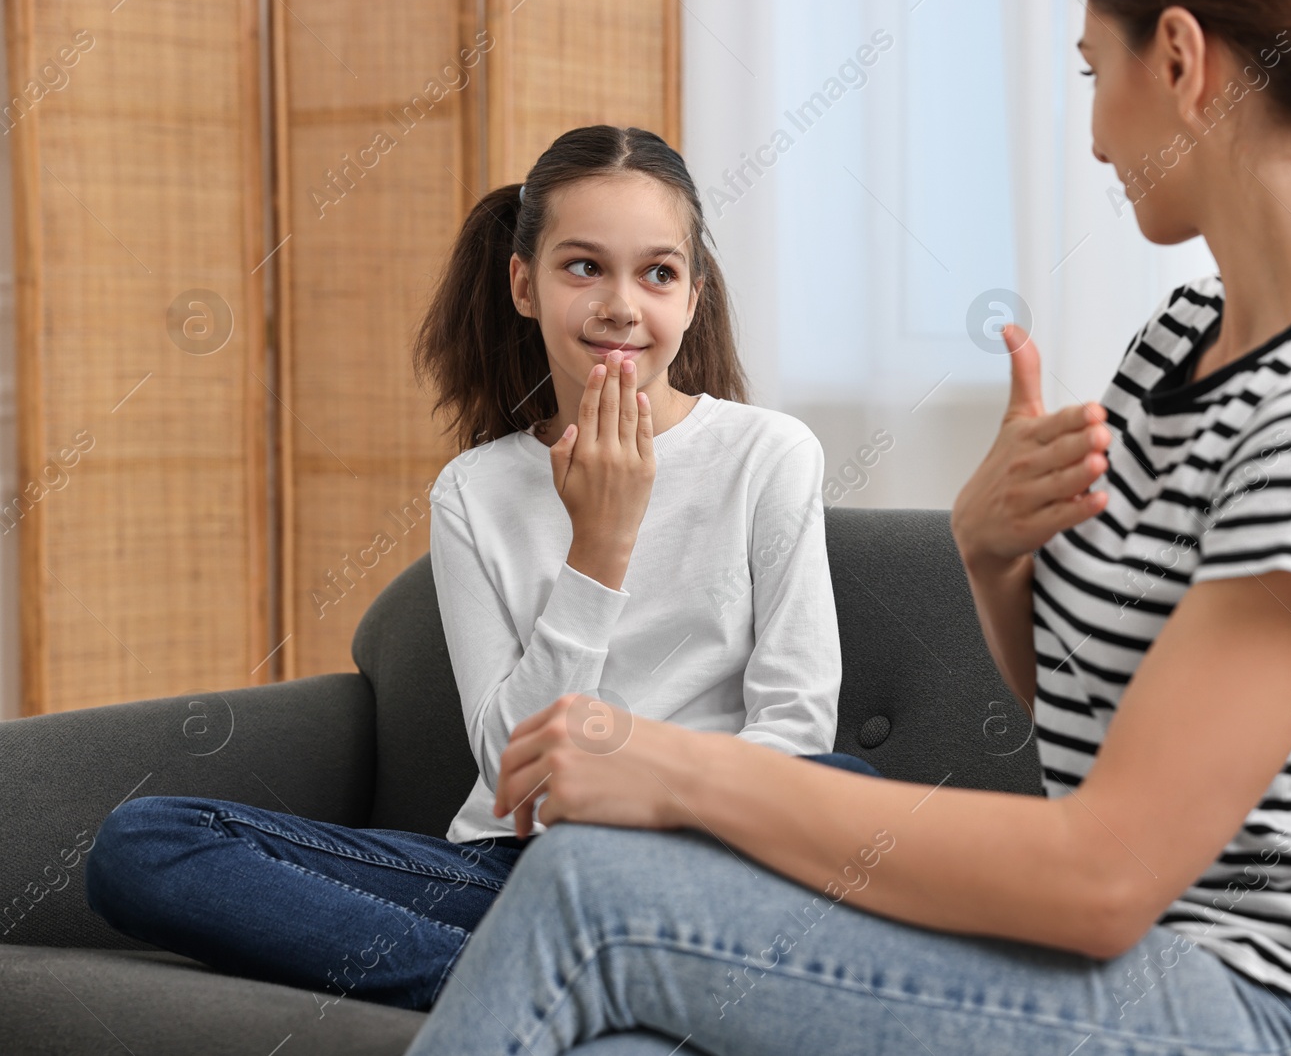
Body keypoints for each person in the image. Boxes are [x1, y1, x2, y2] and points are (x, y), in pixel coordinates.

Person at [403, 0, 1291, 1055]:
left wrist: (681, 771)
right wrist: (994, 555)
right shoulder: (1181, 345)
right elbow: (1097, 741)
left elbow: (1106, 870)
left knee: (588, 895)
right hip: (1155, 966)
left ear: (1178, 59)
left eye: (1087, 75)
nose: (1095, 136)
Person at [83, 124, 874, 1013]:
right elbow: (514, 765)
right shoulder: (474, 490)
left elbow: (798, 725)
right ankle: (581, 984)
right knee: (146, 842)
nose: (622, 304)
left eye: (657, 272)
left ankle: (562, 973)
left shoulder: (769, 454)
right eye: (583, 267)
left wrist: (650, 807)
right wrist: (598, 548)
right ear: (523, 285)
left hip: (700, 859)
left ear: (692, 298)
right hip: (510, 867)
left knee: (853, 793)